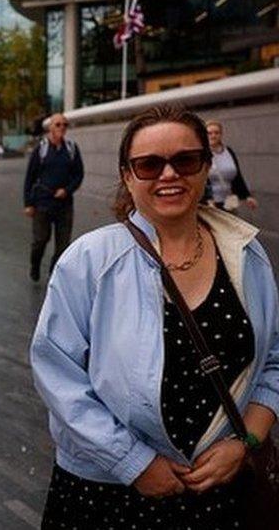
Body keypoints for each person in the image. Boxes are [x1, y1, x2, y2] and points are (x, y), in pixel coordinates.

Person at [31, 105, 279, 528]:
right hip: (108, 494)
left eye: (185, 160)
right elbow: (59, 376)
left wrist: (245, 441)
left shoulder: (247, 255)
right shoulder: (89, 261)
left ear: (206, 165)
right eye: (149, 164)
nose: (169, 175)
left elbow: (272, 358)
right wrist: (134, 463)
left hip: (223, 493)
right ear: (128, 176)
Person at [23, 113, 84, 282]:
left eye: (65, 124)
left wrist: (67, 190)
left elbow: (79, 174)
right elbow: (30, 177)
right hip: (42, 202)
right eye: (58, 124)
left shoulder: (71, 148)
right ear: (50, 127)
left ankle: (53, 272)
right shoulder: (41, 149)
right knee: (40, 240)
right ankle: (35, 265)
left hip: (64, 204)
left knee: (63, 244)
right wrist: (28, 203)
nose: (62, 128)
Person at [205, 120, 258, 212]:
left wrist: (247, 196)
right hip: (211, 203)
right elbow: (200, 179)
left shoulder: (228, 151)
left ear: (221, 135)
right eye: (209, 133)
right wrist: (208, 199)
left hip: (229, 200)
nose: (213, 136)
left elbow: (237, 176)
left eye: (216, 133)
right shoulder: (202, 154)